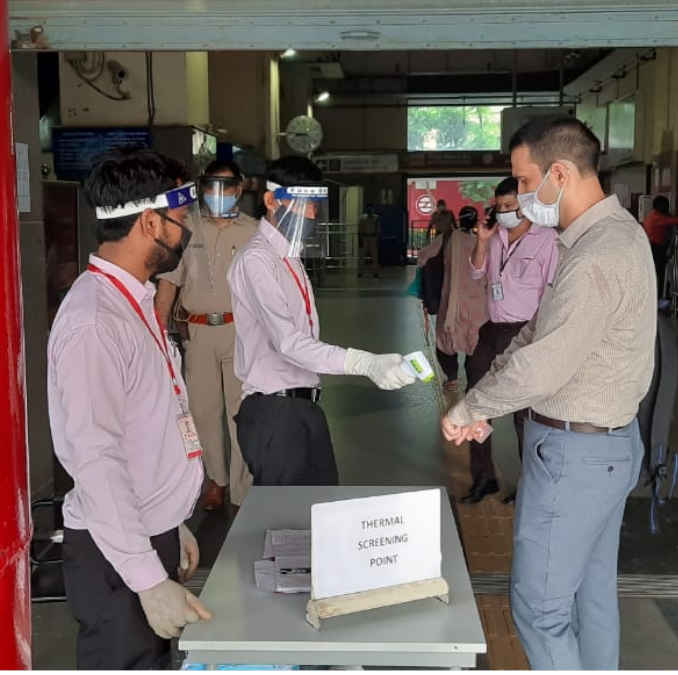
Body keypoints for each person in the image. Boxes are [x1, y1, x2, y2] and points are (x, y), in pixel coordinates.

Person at [442, 116, 656, 670]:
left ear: (559, 172)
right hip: (606, 448)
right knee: (591, 597)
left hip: (576, 457)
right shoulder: (611, 235)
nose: (520, 196)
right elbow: (538, 330)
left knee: (539, 609)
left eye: (526, 180)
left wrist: (471, 406)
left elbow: (545, 363)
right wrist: (489, 398)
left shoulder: (594, 256)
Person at [49, 147, 211, 669]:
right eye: (181, 221)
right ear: (149, 222)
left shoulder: (133, 300)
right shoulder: (95, 322)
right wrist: (146, 578)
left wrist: (171, 519)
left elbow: (147, 429)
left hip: (143, 533)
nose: (187, 233)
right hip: (114, 562)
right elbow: (95, 460)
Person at [228, 156, 415, 486]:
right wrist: (363, 363)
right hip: (276, 413)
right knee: (287, 523)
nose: (313, 213)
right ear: (272, 201)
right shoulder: (257, 260)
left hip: (304, 406)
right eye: (305, 204)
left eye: (316, 203)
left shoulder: (289, 256)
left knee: (319, 513)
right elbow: (288, 343)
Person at [155, 159, 257, 511]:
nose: (220, 194)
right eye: (213, 185)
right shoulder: (187, 229)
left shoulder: (254, 232)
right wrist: (158, 329)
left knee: (240, 413)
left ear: (239, 189)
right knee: (202, 411)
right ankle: (216, 481)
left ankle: (242, 489)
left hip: (241, 332)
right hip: (197, 333)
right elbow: (169, 281)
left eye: (228, 186)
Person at [461, 177, 559, 505]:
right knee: (476, 403)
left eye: (509, 207)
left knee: (525, 415)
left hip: (527, 332)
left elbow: (553, 293)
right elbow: (476, 274)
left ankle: (530, 484)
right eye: (499, 207)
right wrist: (481, 241)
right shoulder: (495, 237)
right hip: (492, 331)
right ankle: (483, 476)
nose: (503, 213)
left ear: (527, 206)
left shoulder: (547, 241)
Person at [418, 206, 487, 393]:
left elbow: (423, 258)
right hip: (478, 302)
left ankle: (452, 377)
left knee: (446, 341)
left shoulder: (450, 238)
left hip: (451, 301)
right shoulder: (484, 240)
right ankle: (474, 383)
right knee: (475, 342)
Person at [641, 195, 678, 286]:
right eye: (666, 205)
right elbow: (675, 221)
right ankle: (659, 295)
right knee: (658, 273)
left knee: (655, 273)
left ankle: (658, 294)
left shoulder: (651, 215)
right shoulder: (658, 217)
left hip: (650, 247)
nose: (668, 208)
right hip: (655, 248)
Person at [358, 204, 382, 278]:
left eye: (371, 209)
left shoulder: (376, 218)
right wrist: (360, 239)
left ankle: (375, 272)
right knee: (362, 256)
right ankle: (360, 272)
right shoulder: (362, 218)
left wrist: (378, 239)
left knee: (375, 256)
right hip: (365, 237)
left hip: (373, 237)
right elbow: (360, 229)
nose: (370, 210)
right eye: (368, 209)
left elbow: (378, 229)